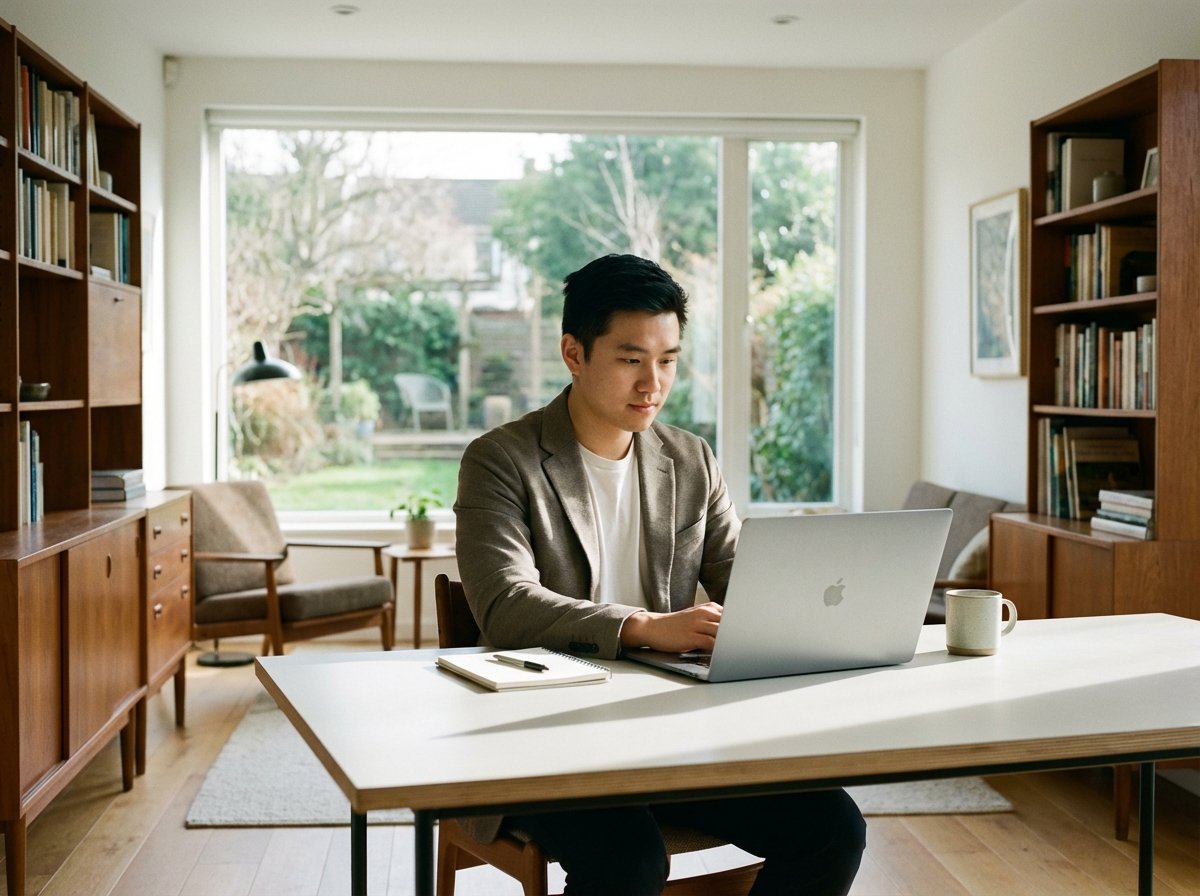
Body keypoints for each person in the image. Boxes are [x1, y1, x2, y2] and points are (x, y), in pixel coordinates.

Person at [454, 253, 866, 895]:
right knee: (629, 860)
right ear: (573, 353)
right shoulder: (501, 460)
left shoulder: (691, 459)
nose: (654, 382)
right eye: (630, 359)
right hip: (544, 738)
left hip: (671, 734)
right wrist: (645, 627)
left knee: (833, 827)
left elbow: (745, 579)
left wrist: (844, 609)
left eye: (668, 359)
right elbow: (506, 605)